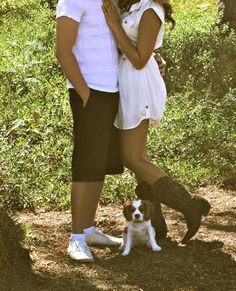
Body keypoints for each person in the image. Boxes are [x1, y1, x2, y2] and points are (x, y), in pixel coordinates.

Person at [56, 0, 166, 262]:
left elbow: (124, 39)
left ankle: (89, 230)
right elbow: (63, 50)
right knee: (85, 164)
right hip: (90, 92)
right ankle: (77, 239)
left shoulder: (113, 1)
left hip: (115, 92)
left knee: (98, 164)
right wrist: (84, 92)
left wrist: (155, 58)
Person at [102, 0, 211, 245]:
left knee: (132, 157)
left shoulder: (151, 9)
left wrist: (115, 27)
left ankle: (190, 205)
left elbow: (140, 59)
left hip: (138, 83)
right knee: (138, 157)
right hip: (126, 83)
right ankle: (156, 225)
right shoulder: (131, 5)